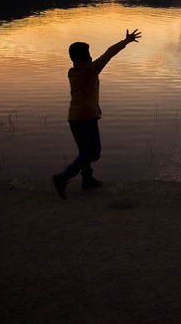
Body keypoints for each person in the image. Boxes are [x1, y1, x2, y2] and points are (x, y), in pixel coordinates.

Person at [52, 29, 141, 199]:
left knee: (84, 151)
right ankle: (63, 177)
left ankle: (87, 180)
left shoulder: (71, 72)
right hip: (87, 118)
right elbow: (109, 53)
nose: (91, 56)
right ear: (86, 57)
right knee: (94, 152)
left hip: (74, 118)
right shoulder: (90, 70)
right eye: (89, 53)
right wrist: (126, 41)